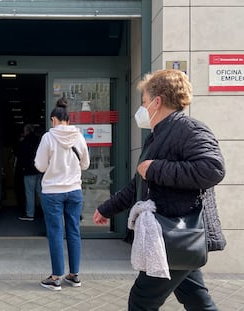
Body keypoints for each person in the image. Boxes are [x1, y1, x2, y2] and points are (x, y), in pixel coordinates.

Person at [93, 69, 225, 310]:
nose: (141, 109)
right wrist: (107, 209)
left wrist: (155, 168)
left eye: (143, 102)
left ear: (157, 101)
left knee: (141, 300)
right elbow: (139, 185)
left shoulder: (189, 129)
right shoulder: (157, 136)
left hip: (176, 232)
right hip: (177, 235)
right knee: (196, 299)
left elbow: (212, 169)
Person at [34, 97, 90, 290]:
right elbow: (86, 164)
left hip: (52, 192)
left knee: (56, 233)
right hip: (74, 191)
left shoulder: (48, 138)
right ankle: (74, 275)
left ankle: (56, 277)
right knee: (74, 231)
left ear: (53, 120)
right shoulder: (79, 136)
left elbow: (40, 166)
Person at [18, 124, 42, 221]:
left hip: (28, 170)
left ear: (26, 131)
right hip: (39, 169)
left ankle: (30, 214)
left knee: (30, 193)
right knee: (41, 193)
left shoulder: (24, 142)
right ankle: (47, 212)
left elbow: (21, 156)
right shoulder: (39, 140)